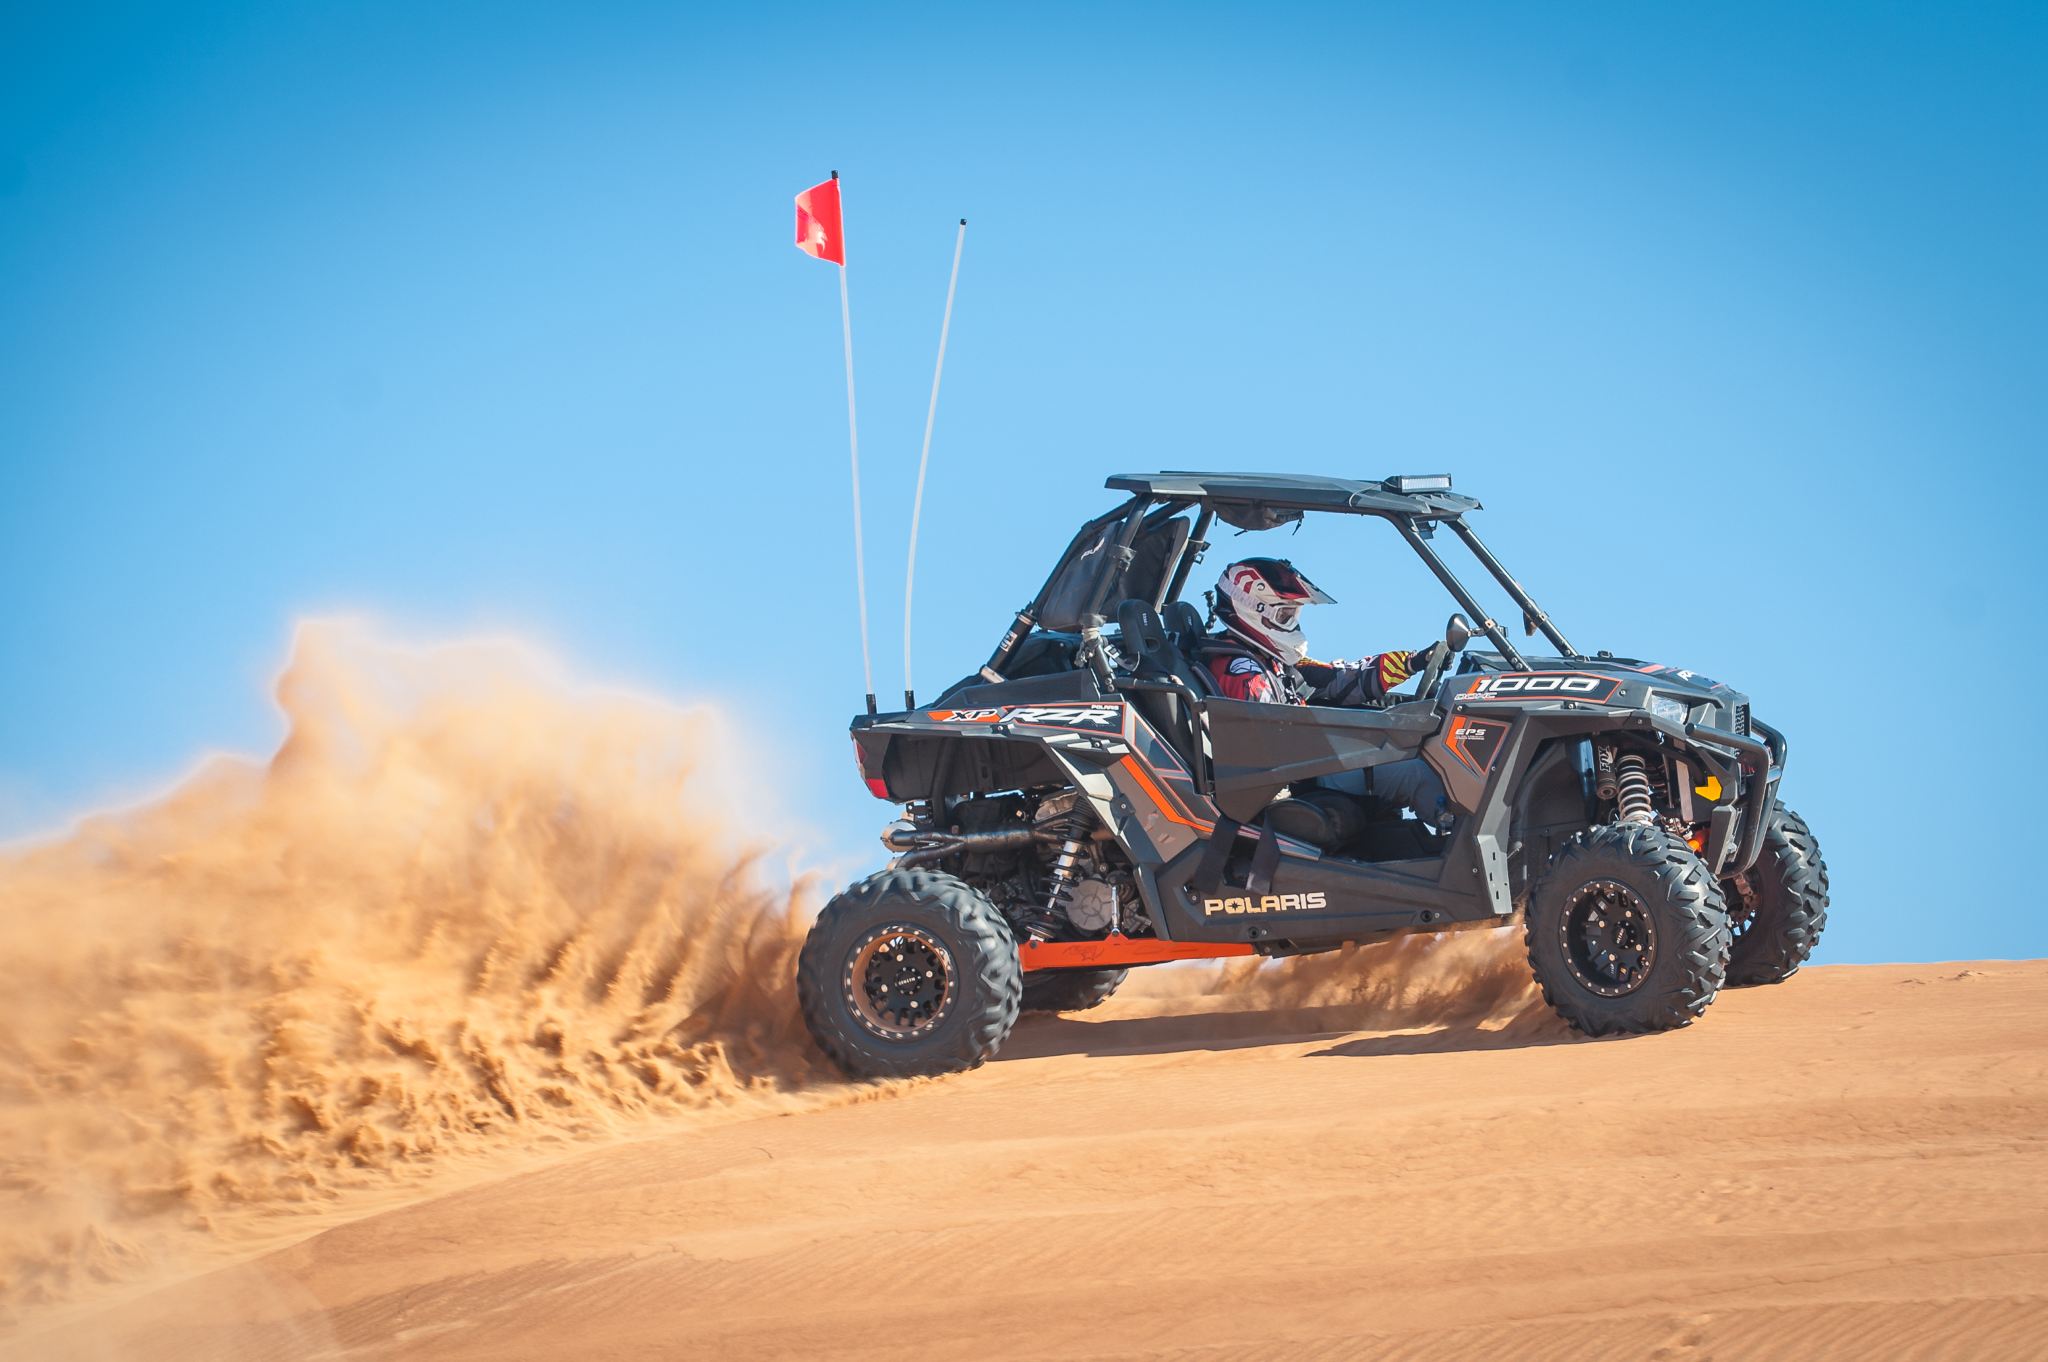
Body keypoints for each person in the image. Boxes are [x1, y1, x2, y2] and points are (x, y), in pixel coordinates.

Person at [1201, 557, 1453, 830]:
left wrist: (1413, 662)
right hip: (1301, 777)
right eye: (1285, 615)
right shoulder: (1243, 671)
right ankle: (1462, 847)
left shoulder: (1272, 661)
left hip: (1311, 763)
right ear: (1252, 610)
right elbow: (1269, 745)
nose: (1293, 624)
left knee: (1414, 752)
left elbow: (1340, 679)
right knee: (1416, 773)